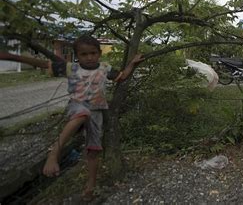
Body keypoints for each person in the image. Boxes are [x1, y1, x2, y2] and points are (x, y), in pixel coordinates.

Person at [0, 35, 143, 201]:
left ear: (99, 53)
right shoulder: (71, 68)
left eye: (93, 53)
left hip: (97, 112)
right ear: (77, 55)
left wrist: (132, 63)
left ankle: (91, 186)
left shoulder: (105, 68)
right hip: (78, 106)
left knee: (93, 150)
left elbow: (122, 76)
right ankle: (53, 154)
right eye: (84, 54)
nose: (89, 57)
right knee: (83, 113)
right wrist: (11, 56)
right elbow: (42, 64)